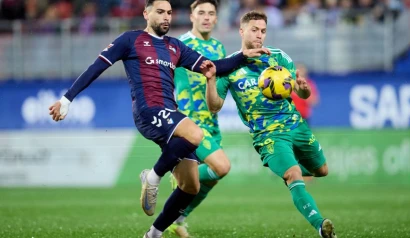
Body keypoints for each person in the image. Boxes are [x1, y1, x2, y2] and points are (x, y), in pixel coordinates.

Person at [47, 1, 269, 237]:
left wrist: (244, 56)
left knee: (191, 186)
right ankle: (152, 176)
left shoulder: (175, 46)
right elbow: (96, 67)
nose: (166, 17)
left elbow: (212, 66)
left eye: (170, 13)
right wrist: (66, 100)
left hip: (170, 116)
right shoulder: (129, 40)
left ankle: (153, 233)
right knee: (195, 133)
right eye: (160, 12)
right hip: (148, 111)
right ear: (146, 14)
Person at [203, 11, 337, 238]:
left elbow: (301, 94)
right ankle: (320, 224)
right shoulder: (229, 67)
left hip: (295, 125)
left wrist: (302, 88)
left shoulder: (278, 57)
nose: (259, 35)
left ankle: (288, 170)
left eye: (263, 31)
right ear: (242, 31)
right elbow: (214, 106)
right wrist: (210, 81)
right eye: (254, 30)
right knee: (294, 175)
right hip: (268, 134)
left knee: (321, 170)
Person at [167, 1, 229, 237]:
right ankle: (179, 179)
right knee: (221, 167)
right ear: (191, 16)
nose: (206, 17)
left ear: (216, 18)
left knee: (211, 178)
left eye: (211, 13)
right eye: (201, 12)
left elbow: (220, 86)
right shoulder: (179, 45)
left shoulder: (219, 48)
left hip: (211, 122)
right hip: (188, 123)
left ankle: (178, 219)